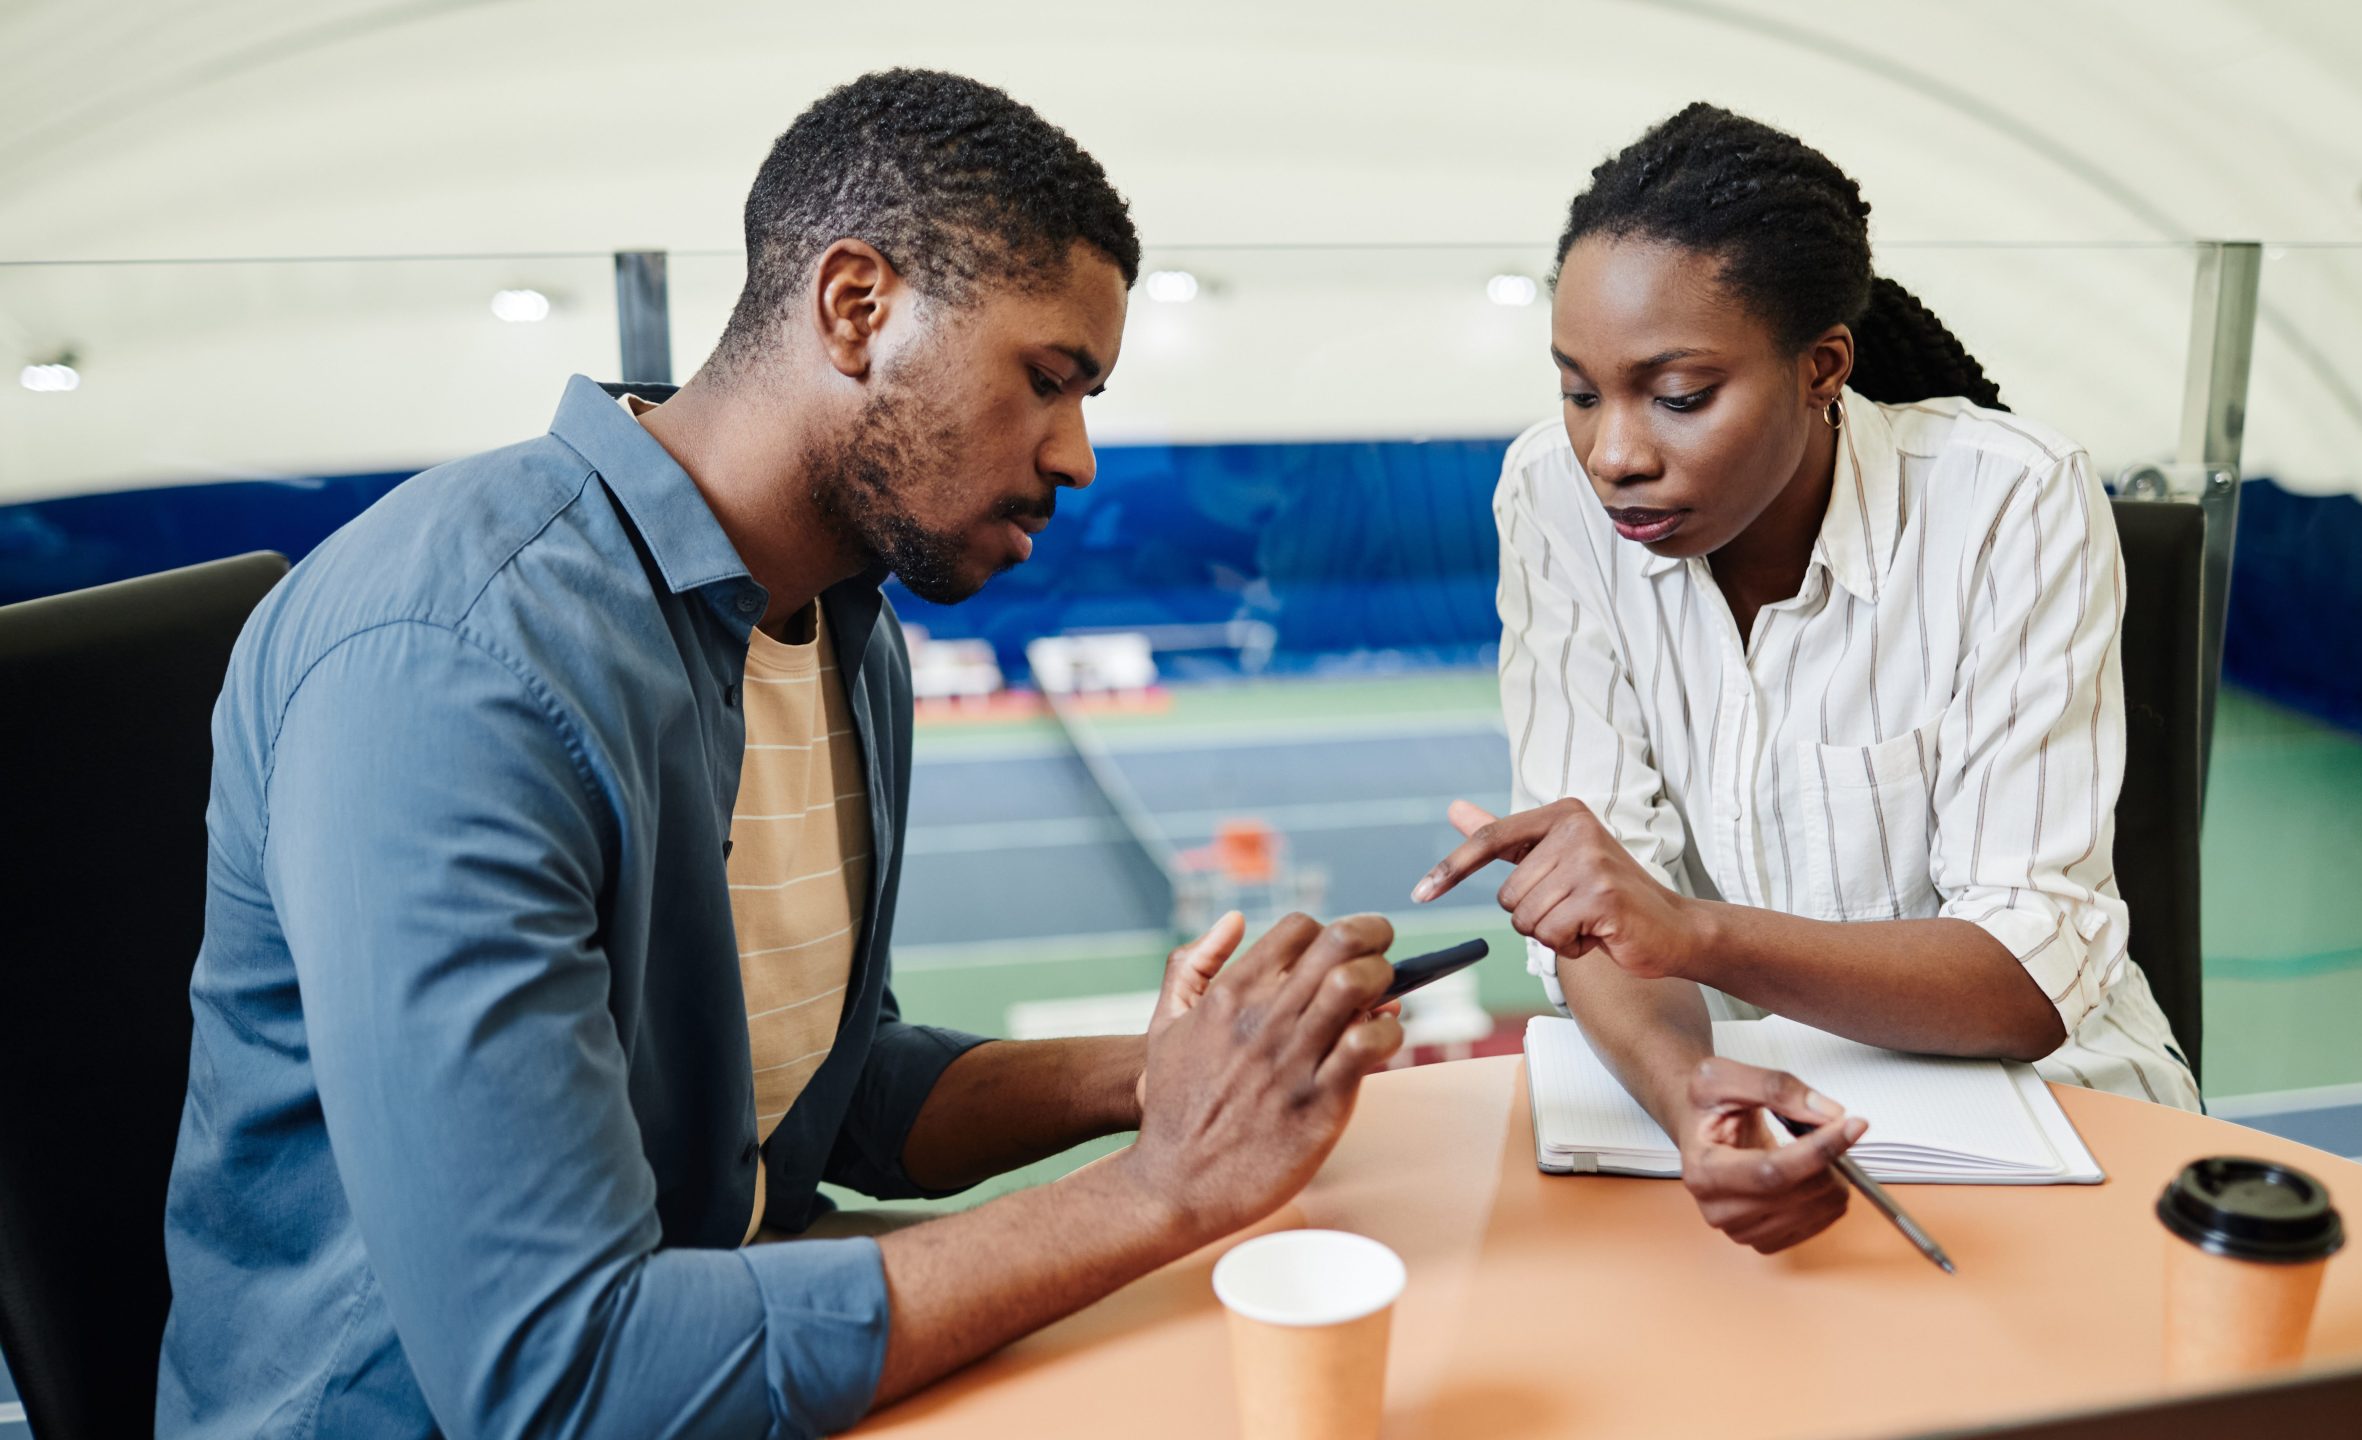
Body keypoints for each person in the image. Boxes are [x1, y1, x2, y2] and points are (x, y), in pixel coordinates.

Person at [159, 70, 1402, 1438]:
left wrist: (1162, 1076)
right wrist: (1160, 1187)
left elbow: (825, 1092)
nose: (1082, 456)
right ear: (855, 306)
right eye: (1049, 379)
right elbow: (559, 1380)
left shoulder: (850, 638)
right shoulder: (453, 659)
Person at [1413, 102, 2202, 1256]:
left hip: (2048, 1118)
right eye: (1579, 390)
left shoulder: (2010, 500)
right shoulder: (1549, 494)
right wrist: (1692, 1096)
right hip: (1725, 1099)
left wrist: (1690, 929)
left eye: (1677, 395)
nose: (1613, 454)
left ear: (1821, 367)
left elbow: (2022, 982)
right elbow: (1595, 921)